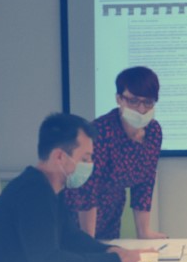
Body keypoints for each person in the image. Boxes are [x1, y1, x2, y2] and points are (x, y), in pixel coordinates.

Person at [0, 112, 145, 262]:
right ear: (60, 157)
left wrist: (112, 251)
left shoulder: (49, 189)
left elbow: (71, 237)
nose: (90, 164)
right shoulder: (33, 192)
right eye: (85, 158)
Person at [66, 66, 167, 242]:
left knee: (110, 251)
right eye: (133, 101)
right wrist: (88, 241)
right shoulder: (100, 132)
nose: (141, 109)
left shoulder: (153, 132)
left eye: (148, 102)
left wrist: (144, 232)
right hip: (77, 214)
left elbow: (145, 182)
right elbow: (87, 189)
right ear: (119, 99)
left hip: (112, 211)